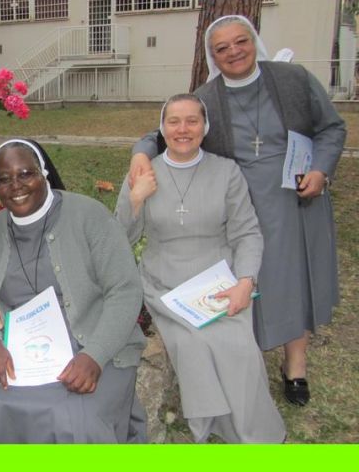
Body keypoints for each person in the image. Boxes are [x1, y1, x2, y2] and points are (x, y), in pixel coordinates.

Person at [129, 15, 346, 406]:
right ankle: (248, 355)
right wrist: (140, 154)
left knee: (293, 280)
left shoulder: (293, 79)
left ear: (254, 41)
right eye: (221, 48)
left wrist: (321, 170)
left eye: (240, 41)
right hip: (242, 200)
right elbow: (166, 132)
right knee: (250, 276)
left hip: (297, 198)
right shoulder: (207, 98)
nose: (233, 52)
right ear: (212, 56)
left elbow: (332, 128)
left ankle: (295, 365)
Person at [116, 94, 286, 442]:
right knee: (191, 342)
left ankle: (253, 431)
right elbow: (119, 239)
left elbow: (247, 233)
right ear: (162, 128)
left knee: (238, 345)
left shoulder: (227, 172)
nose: (183, 129)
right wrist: (135, 200)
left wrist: (245, 282)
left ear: (205, 127)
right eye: (174, 121)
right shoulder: (143, 173)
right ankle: (210, 423)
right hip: (164, 284)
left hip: (218, 281)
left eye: (192, 121)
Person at [0, 139, 146, 443]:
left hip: (91, 343)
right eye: (4, 179)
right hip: (21, 351)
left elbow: (124, 291)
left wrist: (94, 356)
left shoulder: (89, 215)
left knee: (73, 416)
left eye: (26, 174)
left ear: (43, 173)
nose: (16, 186)